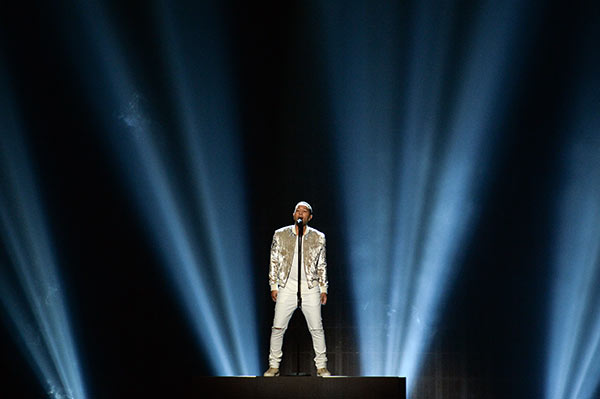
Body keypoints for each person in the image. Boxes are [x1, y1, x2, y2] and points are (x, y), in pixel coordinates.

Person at [263, 201, 331, 377]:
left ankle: (321, 366)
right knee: (278, 327)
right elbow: (274, 261)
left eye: (305, 211)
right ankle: (274, 365)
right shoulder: (280, 235)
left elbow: (321, 264)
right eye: (298, 211)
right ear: (294, 215)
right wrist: (273, 285)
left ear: (310, 216)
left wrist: (323, 287)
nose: (301, 213)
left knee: (316, 327)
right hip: (287, 286)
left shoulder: (318, 237)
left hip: (310, 287)